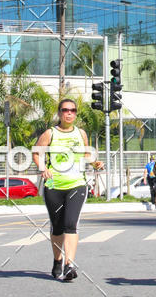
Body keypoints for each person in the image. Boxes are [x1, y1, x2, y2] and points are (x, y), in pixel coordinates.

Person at [32, 98, 103, 282]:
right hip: (54, 186)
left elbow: (86, 156)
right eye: (65, 110)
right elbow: (36, 153)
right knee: (57, 227)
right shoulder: (50, 133)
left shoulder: (81, 133)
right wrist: (42, 168)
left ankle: (69, 265)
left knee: (71, 224)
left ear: (76, 113)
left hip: (77, 184)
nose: (69, 113)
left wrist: (94, 163)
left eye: (72, 110)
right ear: (59, 113)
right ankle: (58, 260)